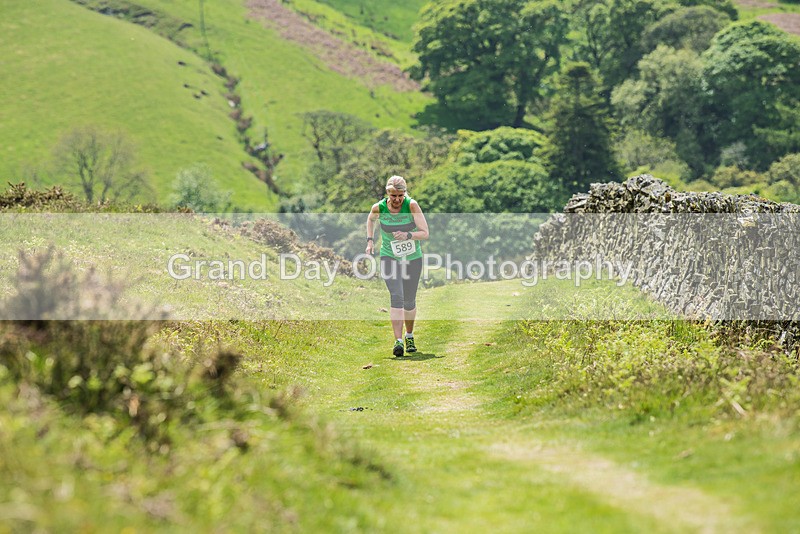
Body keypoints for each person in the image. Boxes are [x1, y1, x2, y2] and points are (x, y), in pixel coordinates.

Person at [366, 176, 429, 357]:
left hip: (412, 258)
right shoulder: (379, 208)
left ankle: (409, 336)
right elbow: (371, 220)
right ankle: (398, 341)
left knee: (409, 301)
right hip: (389, 256)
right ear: (388, 193)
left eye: (400, 195)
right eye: (394, 196)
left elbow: (425, 233)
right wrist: (370, 241)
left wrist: (408, 235)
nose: (397, 200)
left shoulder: (412, 206)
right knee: (396, 296)